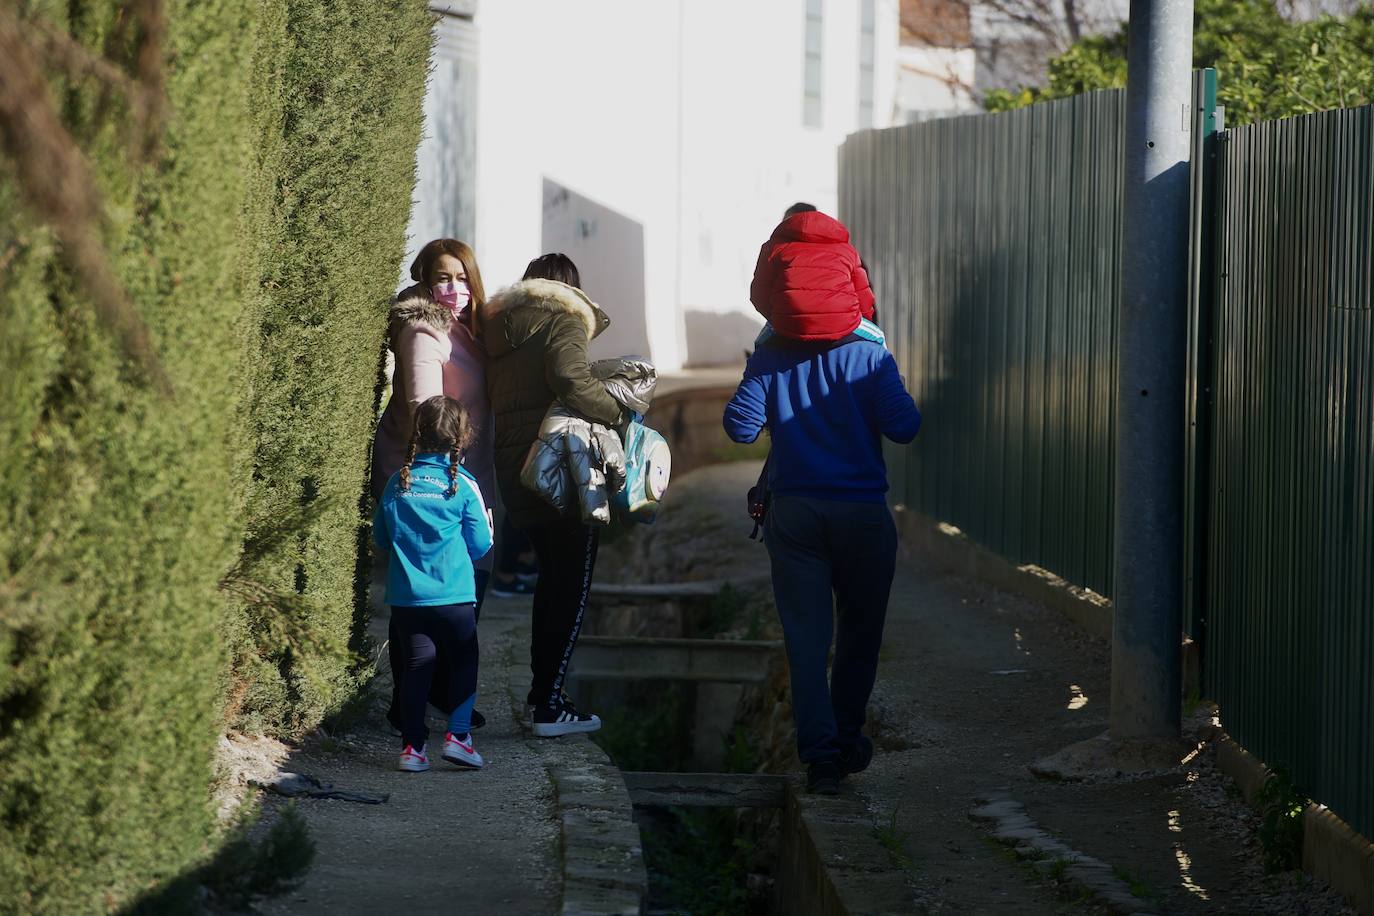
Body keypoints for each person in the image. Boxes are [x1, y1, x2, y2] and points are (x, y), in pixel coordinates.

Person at [724, 214, 921, 795]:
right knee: (860, 635)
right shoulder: (869, 357)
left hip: (796, 517)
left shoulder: (770, 358)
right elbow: (905, 427)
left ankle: (821, 761)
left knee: (807, 640)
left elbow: (739, 429)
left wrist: (760, 374)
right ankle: (847, 736)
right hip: (863, 516)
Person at [481, 253, 624, 736]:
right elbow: (570, 378)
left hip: (516, 472)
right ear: (571, 288)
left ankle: (543, 696)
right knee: (571, 589)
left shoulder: (501, 329)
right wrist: (617, 414)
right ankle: (549, 705)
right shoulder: (564, 319)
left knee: (551, 584)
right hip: (561, 471)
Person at [371, 239, 496, 732]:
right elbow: (428, 409)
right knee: (429, 588)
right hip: (430, 474)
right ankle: (416, 700)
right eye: (444, 278)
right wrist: (447, 475)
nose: (455, 289)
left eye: (463, 278)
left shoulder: (464, 328)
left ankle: (436, 692)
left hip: (463, 473)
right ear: (424, 279)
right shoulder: (425, 330)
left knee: (458, 582)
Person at [373, 396, 493, 772]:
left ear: (417, 433)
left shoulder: (397, 482)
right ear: (462, 436)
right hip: (456, 597)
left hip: (408, 600)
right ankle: (458, 738)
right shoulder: (465, 485)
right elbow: (481, 544)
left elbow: (380, 536)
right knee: (463, 662)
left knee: (415, 668)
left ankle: (412, 749)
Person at [750, 206, 875, 341]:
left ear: (786, 222)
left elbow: (758, 295)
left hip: (787, 329)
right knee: (879, 341)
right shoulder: (848, 250)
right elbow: (865, 300)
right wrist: (858, 322)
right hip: (844, 327)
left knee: (759, 347)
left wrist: (781, 317)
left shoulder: (772, 248)